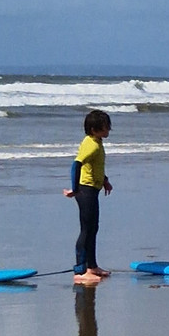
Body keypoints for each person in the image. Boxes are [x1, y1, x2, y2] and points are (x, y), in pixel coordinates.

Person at [63, 109, 113, 284]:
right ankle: (80, 271)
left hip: (92, 189)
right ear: (94, 129)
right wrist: (75, 189)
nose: (108, 130)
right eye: (105, 127)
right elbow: (76, 165)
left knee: (93, 228)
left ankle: (92, 266)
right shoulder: (91, 145)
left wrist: (105, 180)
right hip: (85, 190)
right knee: (86, 229)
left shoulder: (96, 141)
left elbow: (95, 166)